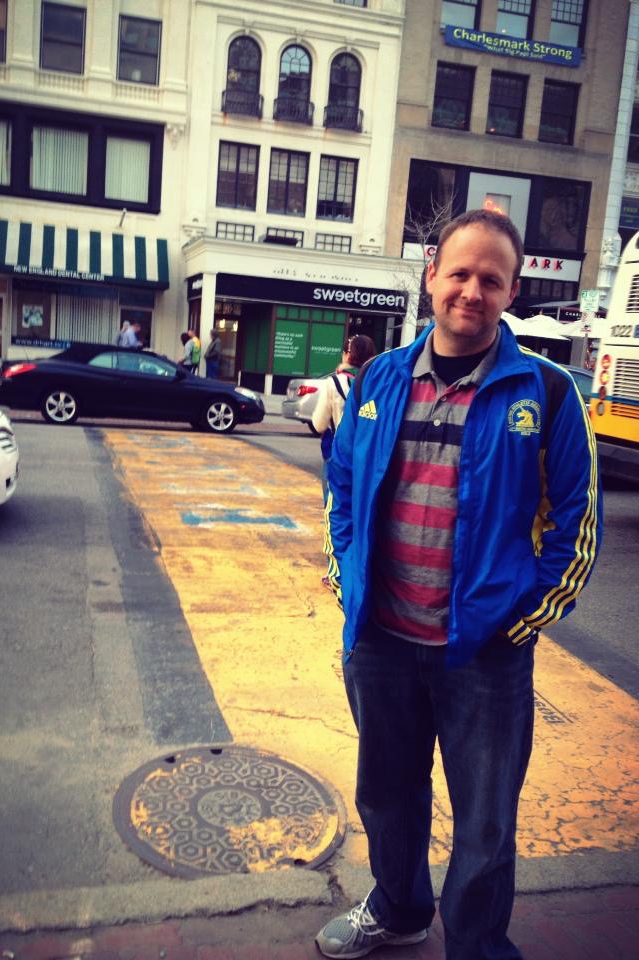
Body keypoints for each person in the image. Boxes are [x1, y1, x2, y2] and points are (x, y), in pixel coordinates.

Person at [316, 209, 602, 960]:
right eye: (461, 273)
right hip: (380, 640)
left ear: (511, 292)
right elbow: (341, 484)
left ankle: (476, 947)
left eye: (492, 279)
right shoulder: (379, 378)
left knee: (483, 822)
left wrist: (521, 619)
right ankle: (401, 908)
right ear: (432, 274)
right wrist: (351, 578)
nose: (473, 290)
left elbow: (578, 522)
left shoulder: (547, 391)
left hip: (484, 655)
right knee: (386, 796)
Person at [312, 334, 376, 502]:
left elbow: (319, 424)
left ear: (347, 355)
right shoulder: (378, 381)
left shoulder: (333, 382)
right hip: (369, 455)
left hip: (338, 452)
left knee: (336, 506)